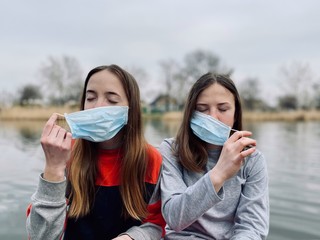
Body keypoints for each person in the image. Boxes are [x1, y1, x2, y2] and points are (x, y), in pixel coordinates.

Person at [26, 65, 165, 240]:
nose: (97, 106)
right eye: (90, 98)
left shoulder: (151, 160)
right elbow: (40, 236)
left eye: (112, 100)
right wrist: (53, 168)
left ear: (131, 109)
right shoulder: (67, 154)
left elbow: (155, 224)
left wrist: (131, 238)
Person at [160, 73, 269, 239]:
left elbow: (252, 227)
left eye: (223, 109)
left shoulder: (253, 160)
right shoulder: (171, 150)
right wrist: (219, 174)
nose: (212, 117)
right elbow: (174, 218)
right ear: (190, 113)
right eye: (202, 109)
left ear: (235, 113)